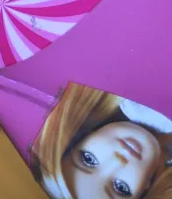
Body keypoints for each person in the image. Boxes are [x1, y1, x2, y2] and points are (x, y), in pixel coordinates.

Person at [31, 84, 172, 198]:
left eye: (88, 159)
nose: (118, 160)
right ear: (143, 191)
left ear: (78, 138)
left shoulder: (120, 87)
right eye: (121, 188)